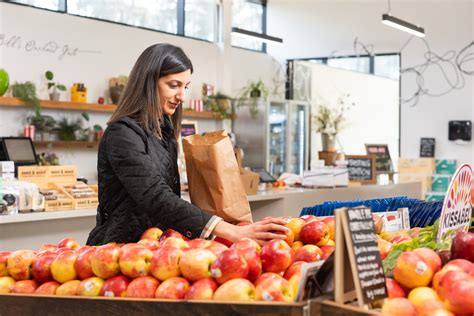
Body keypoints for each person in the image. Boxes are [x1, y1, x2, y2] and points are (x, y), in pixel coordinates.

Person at [87, 43, 289, 246]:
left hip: (158, 247)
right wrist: (230, 231)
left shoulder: (164, 132)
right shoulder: (122, 134)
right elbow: (155, 196)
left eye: (185, 87)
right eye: (174, 85)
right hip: (118, 249)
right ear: (148, 82)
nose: (182, 96)